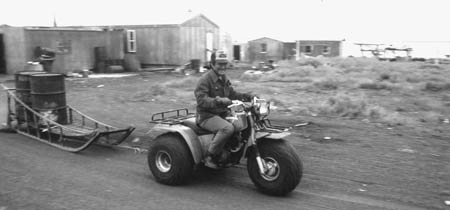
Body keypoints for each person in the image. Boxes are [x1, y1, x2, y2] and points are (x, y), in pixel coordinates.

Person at [194, 58, 254, 169]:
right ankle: (210, 156)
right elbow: (201, 100)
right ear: (212, 64)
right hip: (206, 116)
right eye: (219, 64)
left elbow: (232, 94)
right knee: (227, 128)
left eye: (224, 64)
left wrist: (248, 96)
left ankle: (232, 151)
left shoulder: (224, 78)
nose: (223, 67)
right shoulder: (204, 80)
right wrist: (219, 101)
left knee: (241, 123)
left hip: (222, 113)